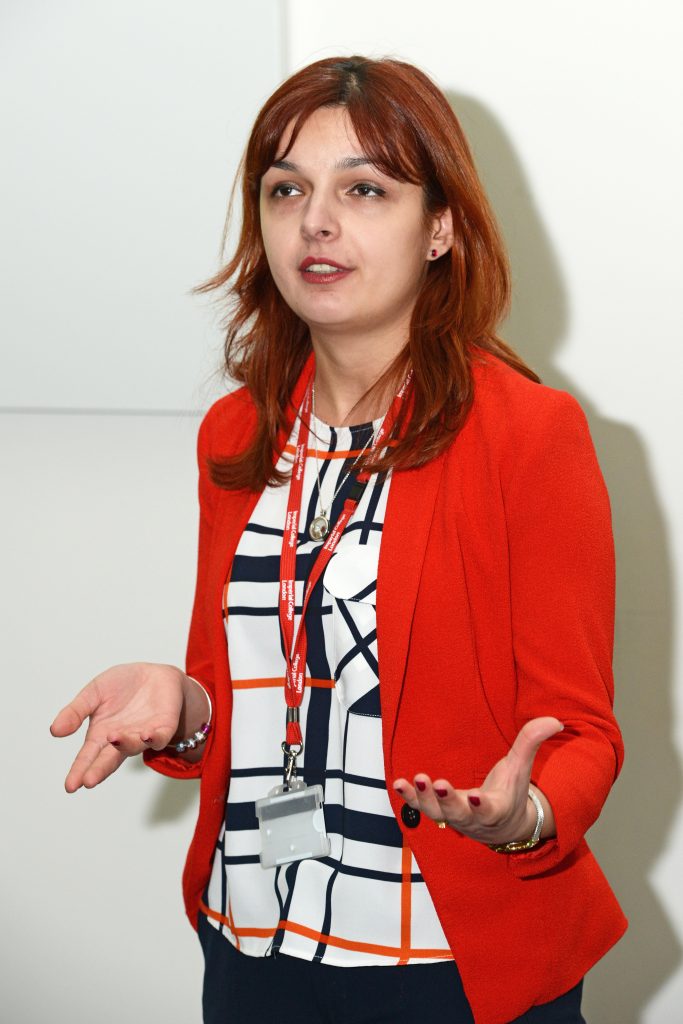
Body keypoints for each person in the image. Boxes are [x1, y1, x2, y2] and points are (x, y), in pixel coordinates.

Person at [51, 55, 627, 1024]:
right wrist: (186, 706)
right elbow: (245, 684)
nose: (315, 221)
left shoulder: (528, 435)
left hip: (443, 960)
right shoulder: (236, 433)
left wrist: (521, 816)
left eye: (363, 189)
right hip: (253, 942)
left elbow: (581, 733)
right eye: (286, 190)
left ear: (439, 227)